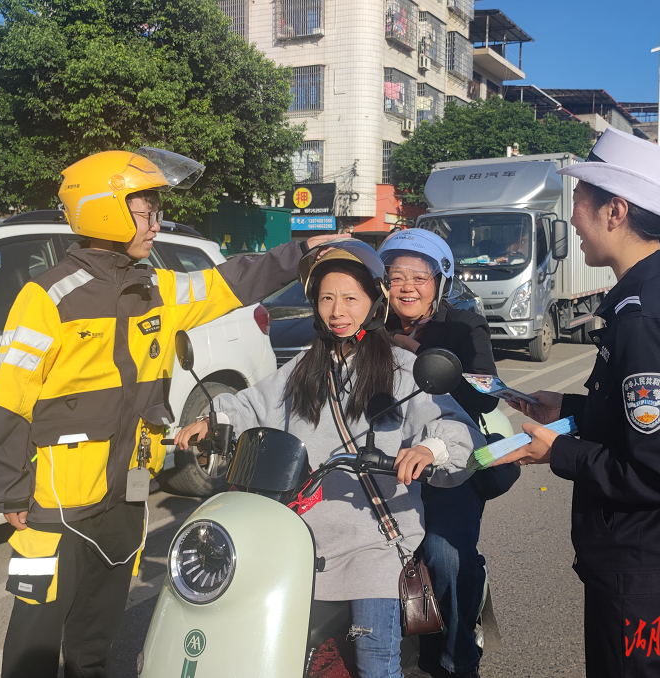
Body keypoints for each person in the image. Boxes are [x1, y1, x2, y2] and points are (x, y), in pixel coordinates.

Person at [0, 146, 346, 678]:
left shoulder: (156, 288)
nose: (155, 224)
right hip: (55, 505)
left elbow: (229, 283)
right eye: (146, 212)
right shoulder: (49, 297)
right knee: (34, 640)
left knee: (96, 639)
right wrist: (7, 489)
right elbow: (7, 396)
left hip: (126, 497)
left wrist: (301, 252)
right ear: (107, 209)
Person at [175, 240, 484, 678]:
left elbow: (454, 425)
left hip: (375, 540)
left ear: (374, 303)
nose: (338, 310)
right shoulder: (301, 369)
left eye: (350, 298)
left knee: (376, 662)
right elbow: (252, 405)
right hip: (301, 539)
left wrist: (427, 449)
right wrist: (215, 419)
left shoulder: (400, 368)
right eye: (327, 298)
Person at [494, 128, 660, 677]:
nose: (573, 217)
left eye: (579, 200)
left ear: (615, 211)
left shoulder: (644, 319)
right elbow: (644, 424)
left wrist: (556, 453)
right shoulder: (646, 300)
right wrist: (572, 408)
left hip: (647, 576)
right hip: (648, 569)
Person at [380, 228, 518, 678]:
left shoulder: (463, 325)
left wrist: (422, 353)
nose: (406, 287)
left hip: (448, 459)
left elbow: (486, 395)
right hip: (382, 460)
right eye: (395, 275)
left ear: (440, 281)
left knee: (444, 553)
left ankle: (459, 656)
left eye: (419, 277)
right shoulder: (367, 325)